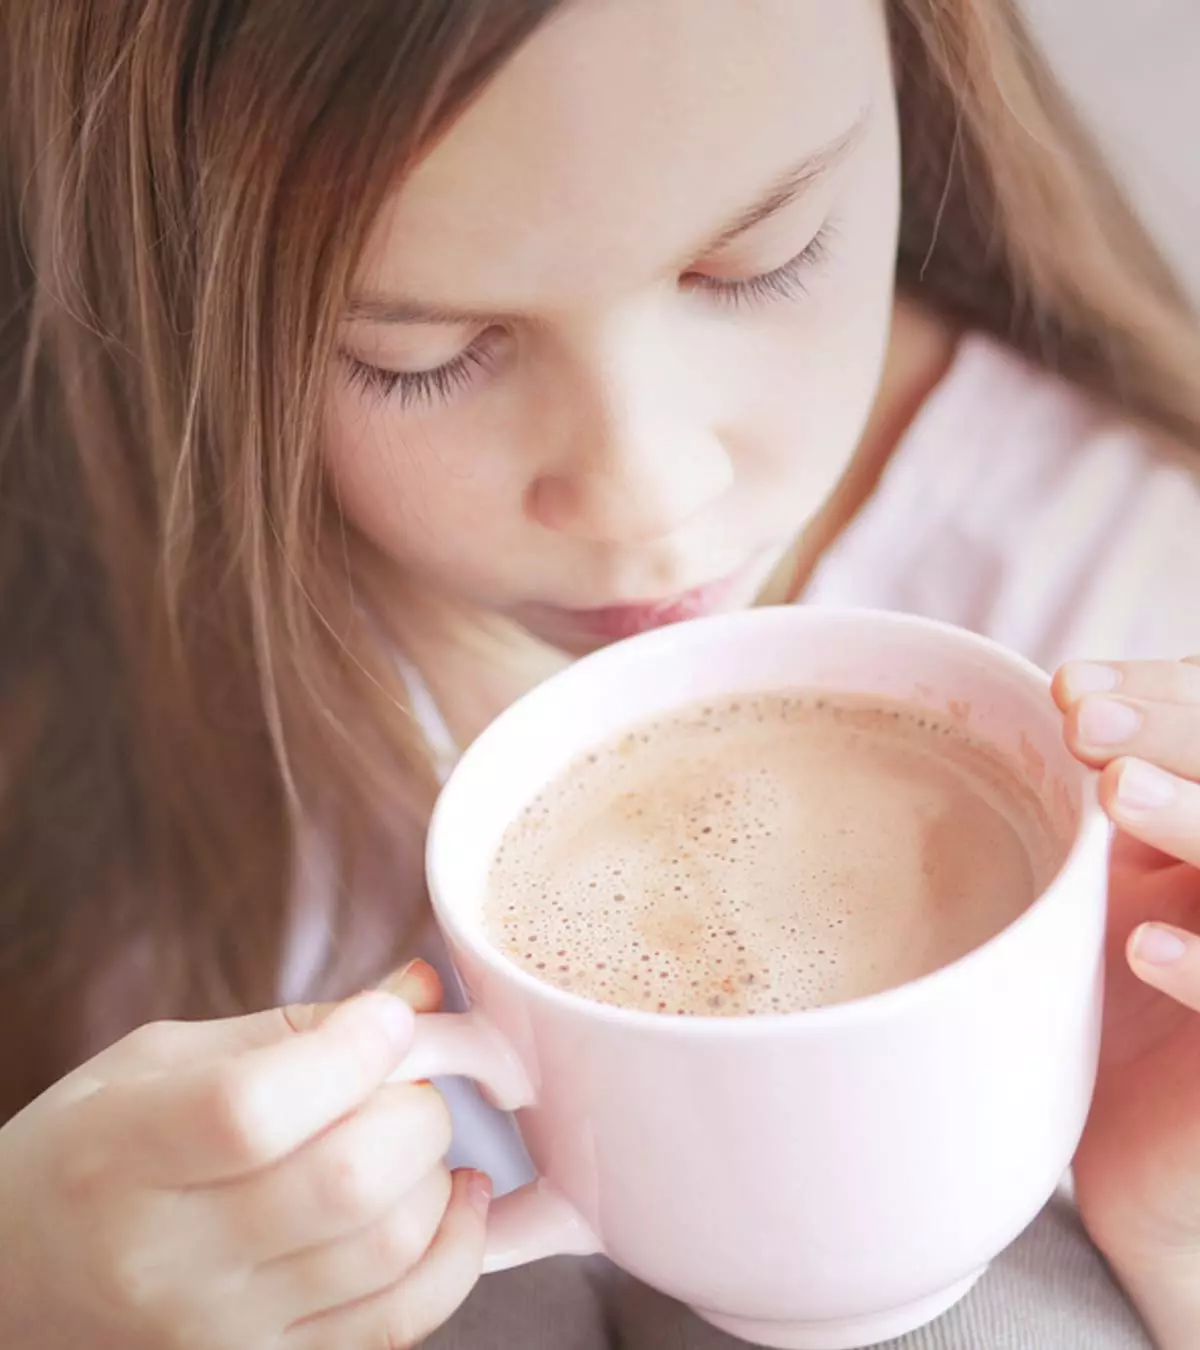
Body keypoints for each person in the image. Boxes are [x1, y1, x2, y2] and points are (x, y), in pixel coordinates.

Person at [1, 1, 1199, 1346]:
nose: (648, 497)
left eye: (762, 259)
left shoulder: (1132, 596)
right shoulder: (84, 690)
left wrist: (1171, 1243)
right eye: (424, 355)